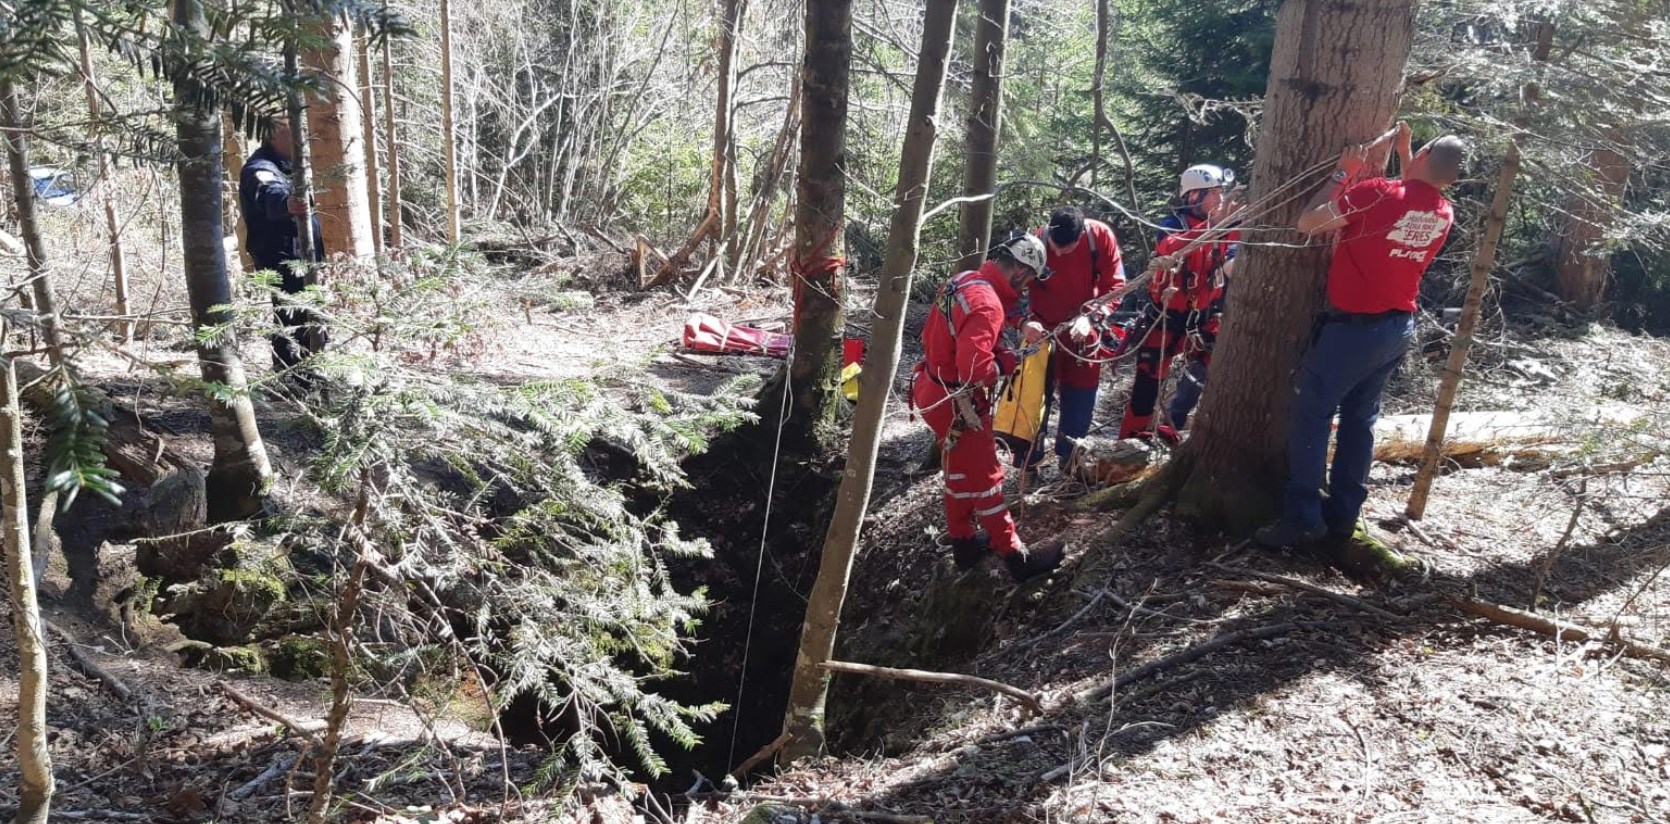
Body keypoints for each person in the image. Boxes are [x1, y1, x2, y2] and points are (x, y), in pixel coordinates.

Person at [1256, 123, 1466, 549]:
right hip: (1396, 328)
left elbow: (1308, 223)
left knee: (1311, 415)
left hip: (1352, 330)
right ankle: (1342, 517)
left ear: (1424, 154)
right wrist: (1407, 151)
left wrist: (1342, 173)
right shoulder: (1443, 211)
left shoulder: (1375, 192)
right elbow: (1413, 194)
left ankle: (1301, 519)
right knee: (1359, 421)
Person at [914, 234, 1066, 583]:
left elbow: (974, 318)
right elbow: (975, 370)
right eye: (1028, 279)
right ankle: (1017, 558)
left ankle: (963, 544)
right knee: (987, 480)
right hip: (959, 403)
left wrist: (1019, 325)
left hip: (933, 390)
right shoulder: (987, 305)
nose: (1028, 287)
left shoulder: (964, 279)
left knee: (958, 471)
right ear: (1021, 272)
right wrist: (1007, 360)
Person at [1118, 164, 1240, 443]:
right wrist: (1216, 225)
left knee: (1210, 371)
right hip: (1166, 321)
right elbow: (1170, 247)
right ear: (1193, 195)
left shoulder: (1224, 226)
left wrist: (1226, 225)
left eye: (1221, 193)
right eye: (1214, 193)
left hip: (1203, 320)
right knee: (1147, 386)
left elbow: (1234, 252)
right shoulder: (1172, 225)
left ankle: (1176, 423)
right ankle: (1130, 440)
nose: (1219, 200)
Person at [1018, 207, 1126, 470]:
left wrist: (1091, 316)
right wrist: (1022, 322)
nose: (1056, 254)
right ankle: (1028, 464)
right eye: (1054, 248)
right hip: (1042, 331)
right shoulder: (1036, 242)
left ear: (1079, 238)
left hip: (1083, 331)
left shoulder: (1099, 237)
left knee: (1080, 399)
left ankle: (1069, 460)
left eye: (1064, 250)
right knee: (1031, 400)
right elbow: (1012, 287)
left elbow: (1116, 284)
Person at [239, 120, 324, 371]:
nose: (301, 142)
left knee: (310, 315)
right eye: (294, 136)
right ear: (274, 136)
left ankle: (311, 373)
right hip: (282, 258)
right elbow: (268, 192)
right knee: (290, 317)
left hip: (303, 256)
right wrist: (286, 204)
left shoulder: (288, 167)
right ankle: (292, 378)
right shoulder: (260, 167)